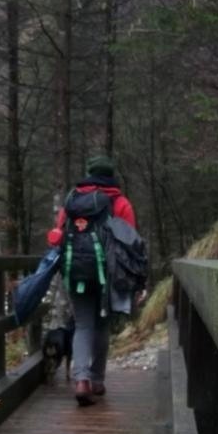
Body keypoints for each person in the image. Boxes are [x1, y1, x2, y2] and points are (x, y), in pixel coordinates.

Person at [46, 155, 140, 405]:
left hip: (75, 272)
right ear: (111, 175)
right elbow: (131, 241)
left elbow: (60, 234)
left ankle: (80, 380)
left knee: (83, 324)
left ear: (89, 173)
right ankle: (97, 379)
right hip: (107, 276)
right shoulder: (119, 202)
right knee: (101, 325)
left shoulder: (72, 200)